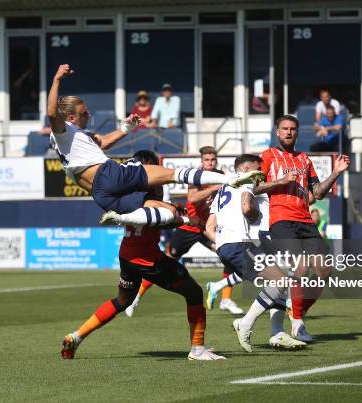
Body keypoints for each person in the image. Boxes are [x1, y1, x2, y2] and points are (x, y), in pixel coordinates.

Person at [47, 64, 264, 229]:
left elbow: (103, 142)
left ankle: (126, 218)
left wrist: (125, 128)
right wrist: (57, 79)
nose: (89, 114)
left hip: (102, 195)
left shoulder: (74, 138)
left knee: (170, 213)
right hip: (109, 175)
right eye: (84, 113)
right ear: (70, 117)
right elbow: (51, 113)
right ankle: (233, 179)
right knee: (173, 174)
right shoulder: (63, 131)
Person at [61, 150, 225, 361]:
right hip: (146, 257)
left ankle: (76, 336)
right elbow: (161, 218)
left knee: (123, 300)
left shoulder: (127, 194)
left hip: (128, 254)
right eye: (154, 167)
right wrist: (183, 220)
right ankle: (197, 349)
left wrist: (176, 211)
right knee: (193, 293)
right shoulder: (147, 194)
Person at [255, 114, 350, 342]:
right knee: (300, 267)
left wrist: (335, 173)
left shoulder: (305, 160)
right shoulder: (267, 156)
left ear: (297, 132)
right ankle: (297, 325)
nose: (289, 132)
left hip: (305, 220)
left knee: (325, 270)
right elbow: (254, 187)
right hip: (281, 219)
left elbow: (317, 193)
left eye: (293, 129)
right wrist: (280, 181)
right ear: (277, 132)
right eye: (284, 128)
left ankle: (297, 311)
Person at [204, 154, 307, 351]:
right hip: (241, 243)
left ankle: (277, 332)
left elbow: (209, 226)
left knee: (280, 279)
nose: (260, 173)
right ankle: (246, 323)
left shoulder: (223, 189)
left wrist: (221, 245)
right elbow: (247, 207)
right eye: (257, 169)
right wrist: (254, 214)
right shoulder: (246, 182)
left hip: (228, 245)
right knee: (281, 280)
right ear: (245, 169)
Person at [126, 146, 232, 317]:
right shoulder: (197, 176)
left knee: (228, 252)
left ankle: (226, 298)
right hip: (189, 226)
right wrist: (214, 188)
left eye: (213, 159)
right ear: (202, 161)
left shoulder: (221, 176)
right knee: (166, 261)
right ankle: (136, 297)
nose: (210, 162)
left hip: (206, 227)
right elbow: (192, 198)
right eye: (207, 159)